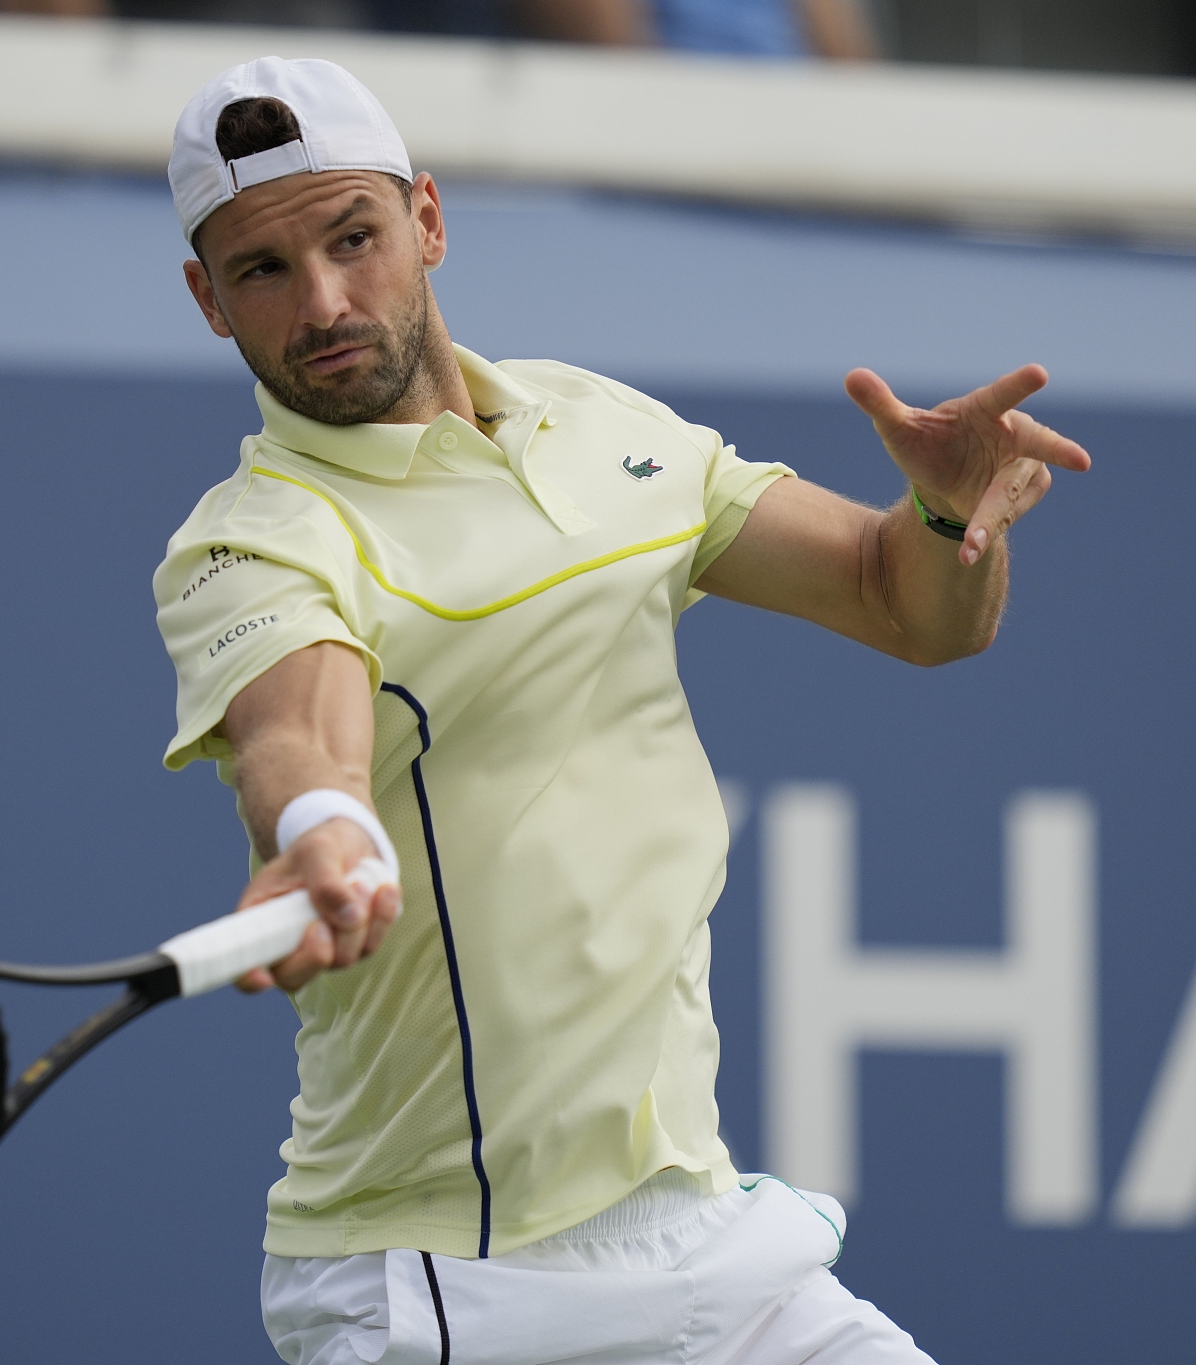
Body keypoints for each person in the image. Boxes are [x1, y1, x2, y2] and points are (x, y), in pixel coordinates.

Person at [154, 57, 1088, 1365]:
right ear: (209, 299)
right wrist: (319, 825)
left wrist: (939, 512)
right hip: (448, 1292)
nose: (323, 301)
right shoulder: (256, 544)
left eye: (352, 239)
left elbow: (905, 605)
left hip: (717, 1251)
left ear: (426, 220)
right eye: (262, 270)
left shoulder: (598, 425)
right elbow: (300, 733)